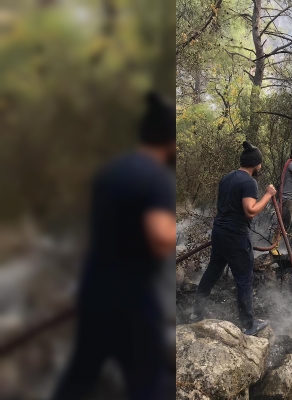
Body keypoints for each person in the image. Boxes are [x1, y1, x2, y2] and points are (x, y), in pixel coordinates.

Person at [51, 92, 176, 399]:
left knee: (81, 374)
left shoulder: (110, 171)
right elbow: (159, 238)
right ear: (170, 142)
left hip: (94, 288)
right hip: (132, 298)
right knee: (148, 383)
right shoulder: (156, 177)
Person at [195, 141, 276, 336]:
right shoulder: (249, 182)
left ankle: (196, 313)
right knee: (244, 278)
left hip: (219, 232)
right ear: (255, 164)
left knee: (212, 272)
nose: (261, 167)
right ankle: (249, 324)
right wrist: (268, 195)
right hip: (236, 236)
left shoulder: (227, 177)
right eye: (260, 163)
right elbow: (250, 211)